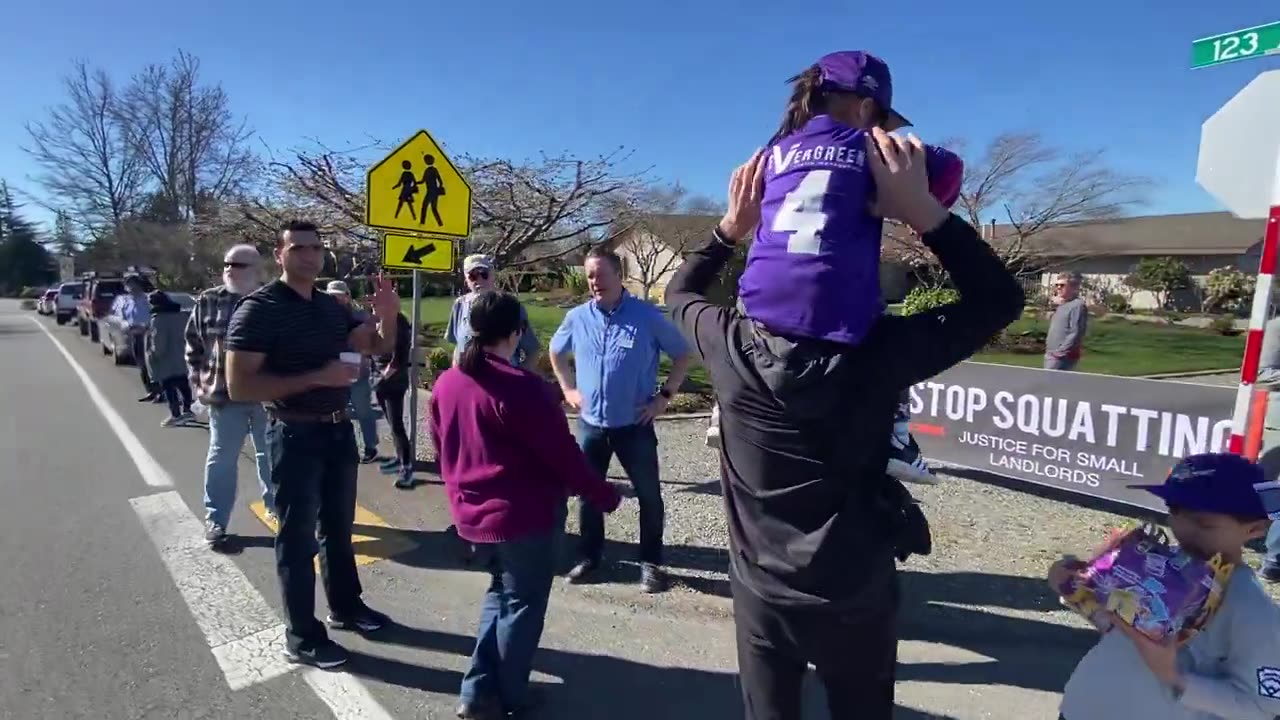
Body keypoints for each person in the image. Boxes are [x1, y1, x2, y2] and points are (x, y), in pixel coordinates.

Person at [664, 132, 1023, 719]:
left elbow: (679, 293)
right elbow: (998, 299)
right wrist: (925, 213)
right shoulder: (882, 353)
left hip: (762, 594)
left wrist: (729, 229)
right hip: (855, 591)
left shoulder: (729, 347)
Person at [429, 291, 621, 720]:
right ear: (517, 333)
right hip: (524, 517)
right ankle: (510, 695)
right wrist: (603, 494)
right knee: (522, 607)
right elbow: (564, 455)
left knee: (501, 595)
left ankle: (477, 692)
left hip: (473, 515)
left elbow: (442, 448)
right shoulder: (522, 389)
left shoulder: (447, 382)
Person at [225, 220, 399, 669]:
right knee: (297, 537)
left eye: (316, 248)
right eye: (299, 248)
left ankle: (346, 607)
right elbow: (240, 386)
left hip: (338, 431)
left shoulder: (331, 308)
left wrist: (388, 312)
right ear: (279, 254)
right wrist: (317, 377)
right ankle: (301, 635)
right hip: (293, 431)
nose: (309, 256)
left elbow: (377, 346)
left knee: (339, 529)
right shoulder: (258, 308)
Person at [1050, 453, 1280, 720]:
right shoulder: (1152, 561)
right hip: (1082, 708)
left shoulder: (1253, 610)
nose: (1182, 529)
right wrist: (1075, 588)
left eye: (1204, 523)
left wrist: (1173, 676)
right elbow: (1117, 629)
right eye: (1174, 512)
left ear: (1256, 529)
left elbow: (1261, 707)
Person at [550, 246, 692, 593]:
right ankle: (590, 557)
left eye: (599, 274)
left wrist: (665, 397)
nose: (593, 281)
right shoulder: (577, 317)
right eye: (589, 276)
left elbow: (684, 354)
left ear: (619, 275)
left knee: (648, 496)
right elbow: (555, 351)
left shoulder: (647, 316)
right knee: (588, 494)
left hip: (635, 426)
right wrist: (568, 389)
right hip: (592, 425)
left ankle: (652, 563)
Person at [186, 244, 277, 547]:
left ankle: (277, 511)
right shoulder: (209, 300)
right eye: (226, 264)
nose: (229, 269)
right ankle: (216, 520)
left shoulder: (273, 300)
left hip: (267, 396)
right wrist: (199, 385)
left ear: (255, 270)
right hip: (223, 397)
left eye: (237, 265)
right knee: (221, 459)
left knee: (271, 457)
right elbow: (193, 345)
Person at [446, 254, 540, 369]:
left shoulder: (511, 306)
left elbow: (532, 351)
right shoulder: (460, 305)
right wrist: (455, 375)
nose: (479, 280)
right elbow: (458, 347)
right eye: (473, 276)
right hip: (468, 380)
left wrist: (518, 380)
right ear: (466, 279)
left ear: (492, 275)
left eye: (484, 274)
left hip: (503, 380)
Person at [325, 280, 381, 463]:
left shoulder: (360, 316)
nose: (334, 299)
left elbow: (375, 339)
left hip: (358, 371)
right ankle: (342, 447)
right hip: (334, 372)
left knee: (363, 410)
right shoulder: (323, 317)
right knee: (337, 412)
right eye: (331, 296)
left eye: (338, 295)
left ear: (347, 296)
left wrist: (364, 354)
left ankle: (370, 446)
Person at [373, 309, 414, 489]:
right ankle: (399, 459)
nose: (374, 307)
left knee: (397, 425)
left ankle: (407, 467)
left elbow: (400, 356)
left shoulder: (399, 323)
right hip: (380, 380)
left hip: (394, 381)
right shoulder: (380, 321)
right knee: (391, 423)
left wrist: (384, 375)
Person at [146, 290, 193, 427]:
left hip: (166, 360)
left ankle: (175, 414)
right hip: (182, 355)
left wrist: (153, 355)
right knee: (183, 384)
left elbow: (159, 343)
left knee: (169, 387)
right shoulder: (181, 315)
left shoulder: (158, 319)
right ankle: (187, 410)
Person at [122, 275, 158, 402]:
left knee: (151, 364)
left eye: (133, 284)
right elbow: (125, 318)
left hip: (147, 334)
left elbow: (154, 316)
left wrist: (146, 328)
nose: (131, 287)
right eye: (128, 285)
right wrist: (127, 327)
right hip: (134, 334)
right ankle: (150, 391)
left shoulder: (147, 299)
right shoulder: (127, 302)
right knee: (141, 364)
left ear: (139, 285)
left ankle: (159, 391)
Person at [1044, 271, 1088, 371]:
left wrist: (1060, 353)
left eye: (1062, 285)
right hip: (1051, 353)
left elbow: (1076, 332)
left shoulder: (1077, 306)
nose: (1058, 287)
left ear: (1073, 287)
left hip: (1062, 357)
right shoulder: (1062, 304)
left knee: (1052, 385)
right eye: (1057, 285)